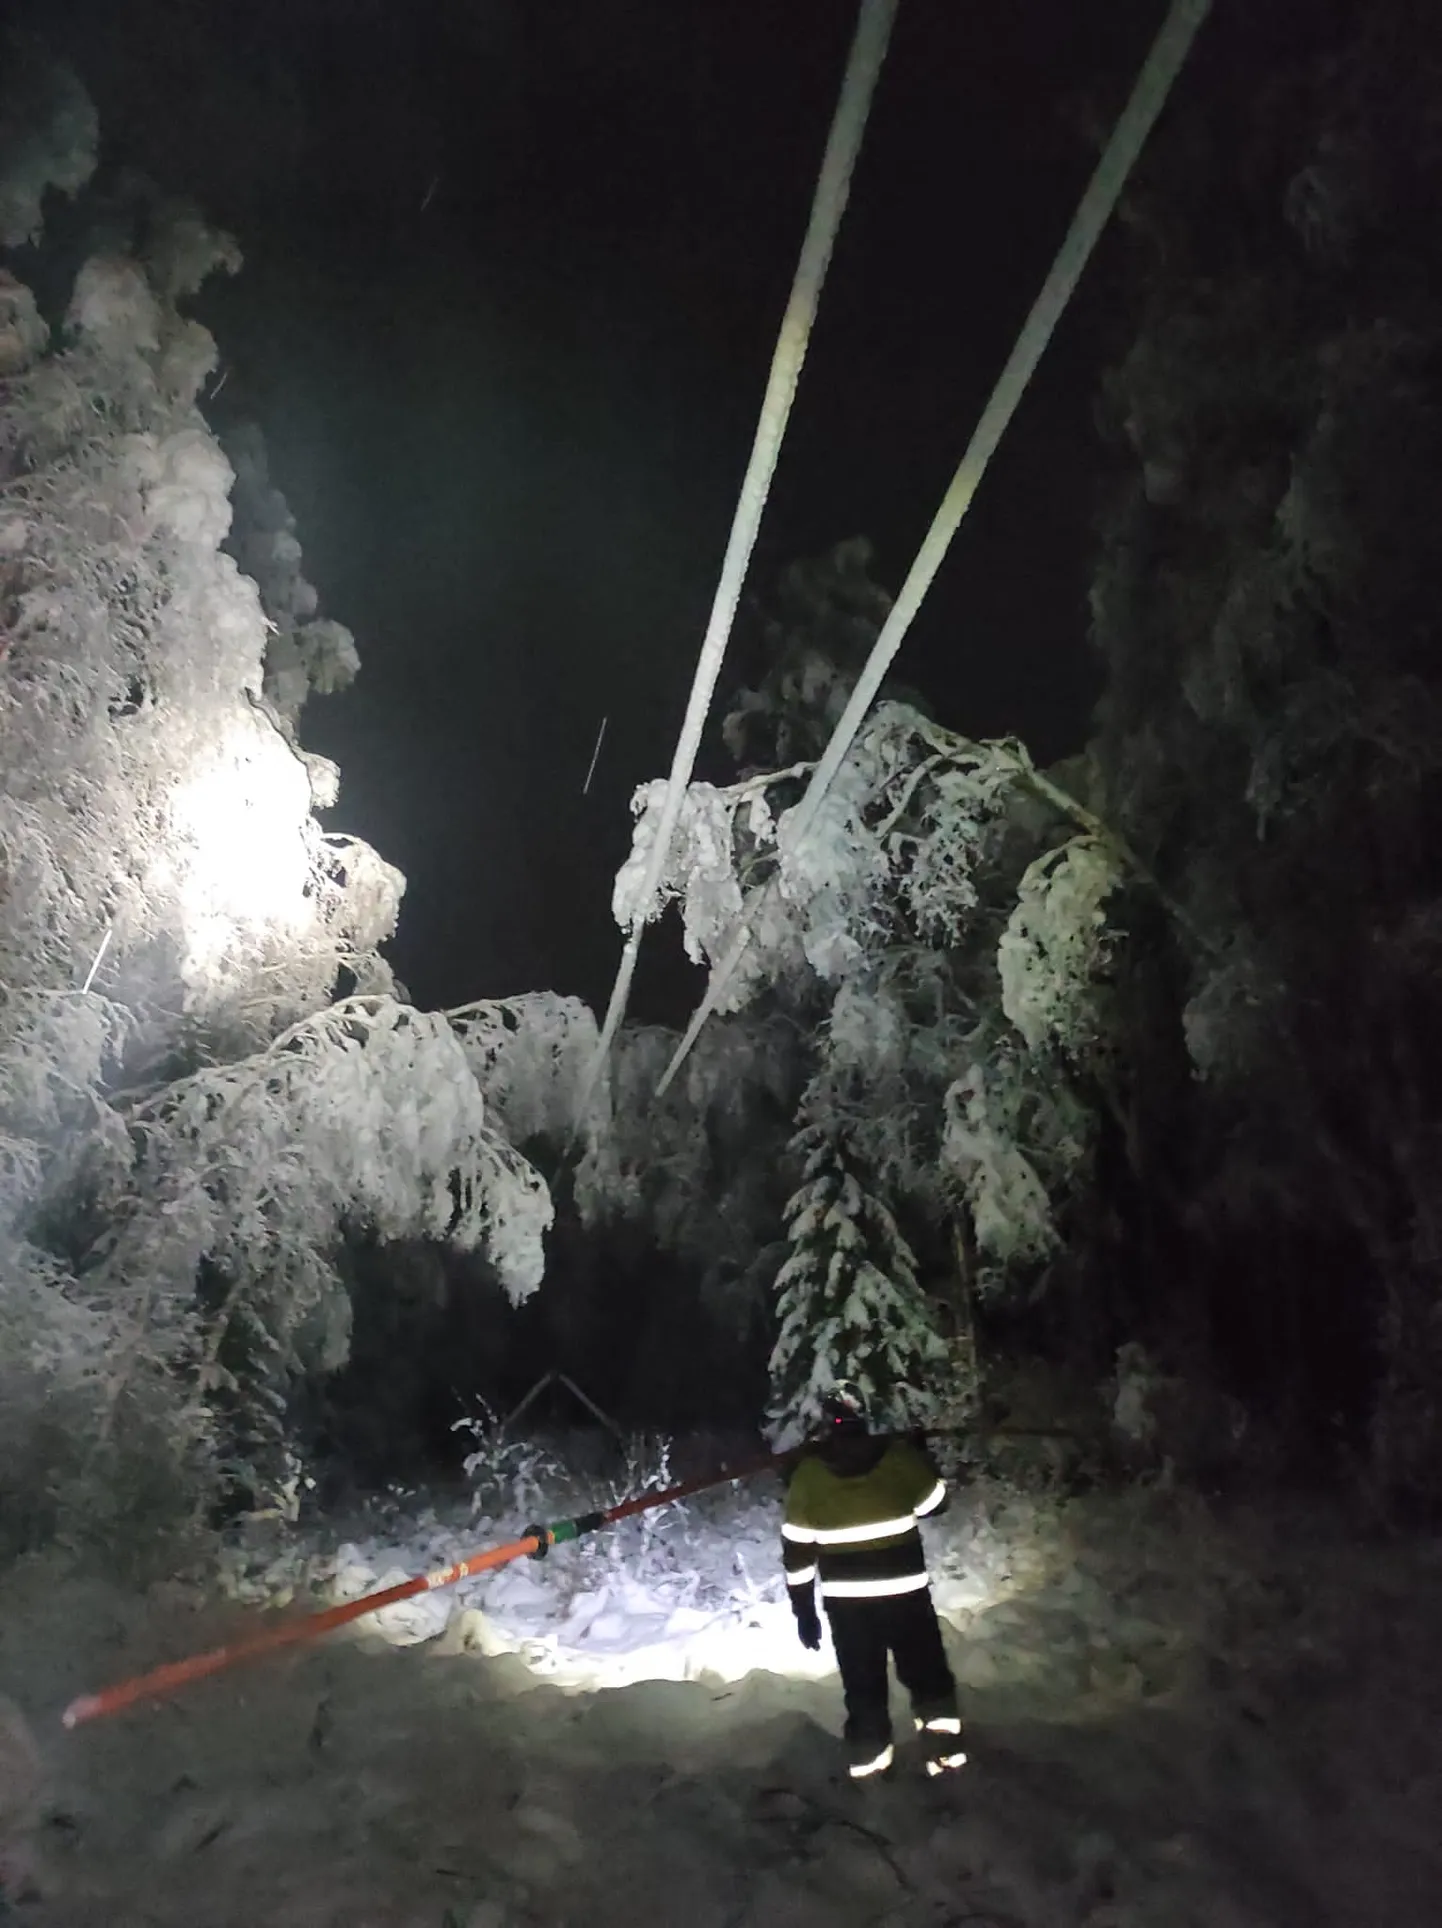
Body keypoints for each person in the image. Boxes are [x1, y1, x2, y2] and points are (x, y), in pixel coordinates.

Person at [782, 1381, 965, 1780]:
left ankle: (872, 1778)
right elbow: (937, 1503)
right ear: (862, 1417)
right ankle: (947, 1765)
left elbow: (798, 1551)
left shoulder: (809, 1474)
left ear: (826, 1424)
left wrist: (803, 1610)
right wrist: (920, 1452)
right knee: (929, 1679)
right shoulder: (898, 1458)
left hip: (850, 1612)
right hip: (907, 1601)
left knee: (864, 1692)